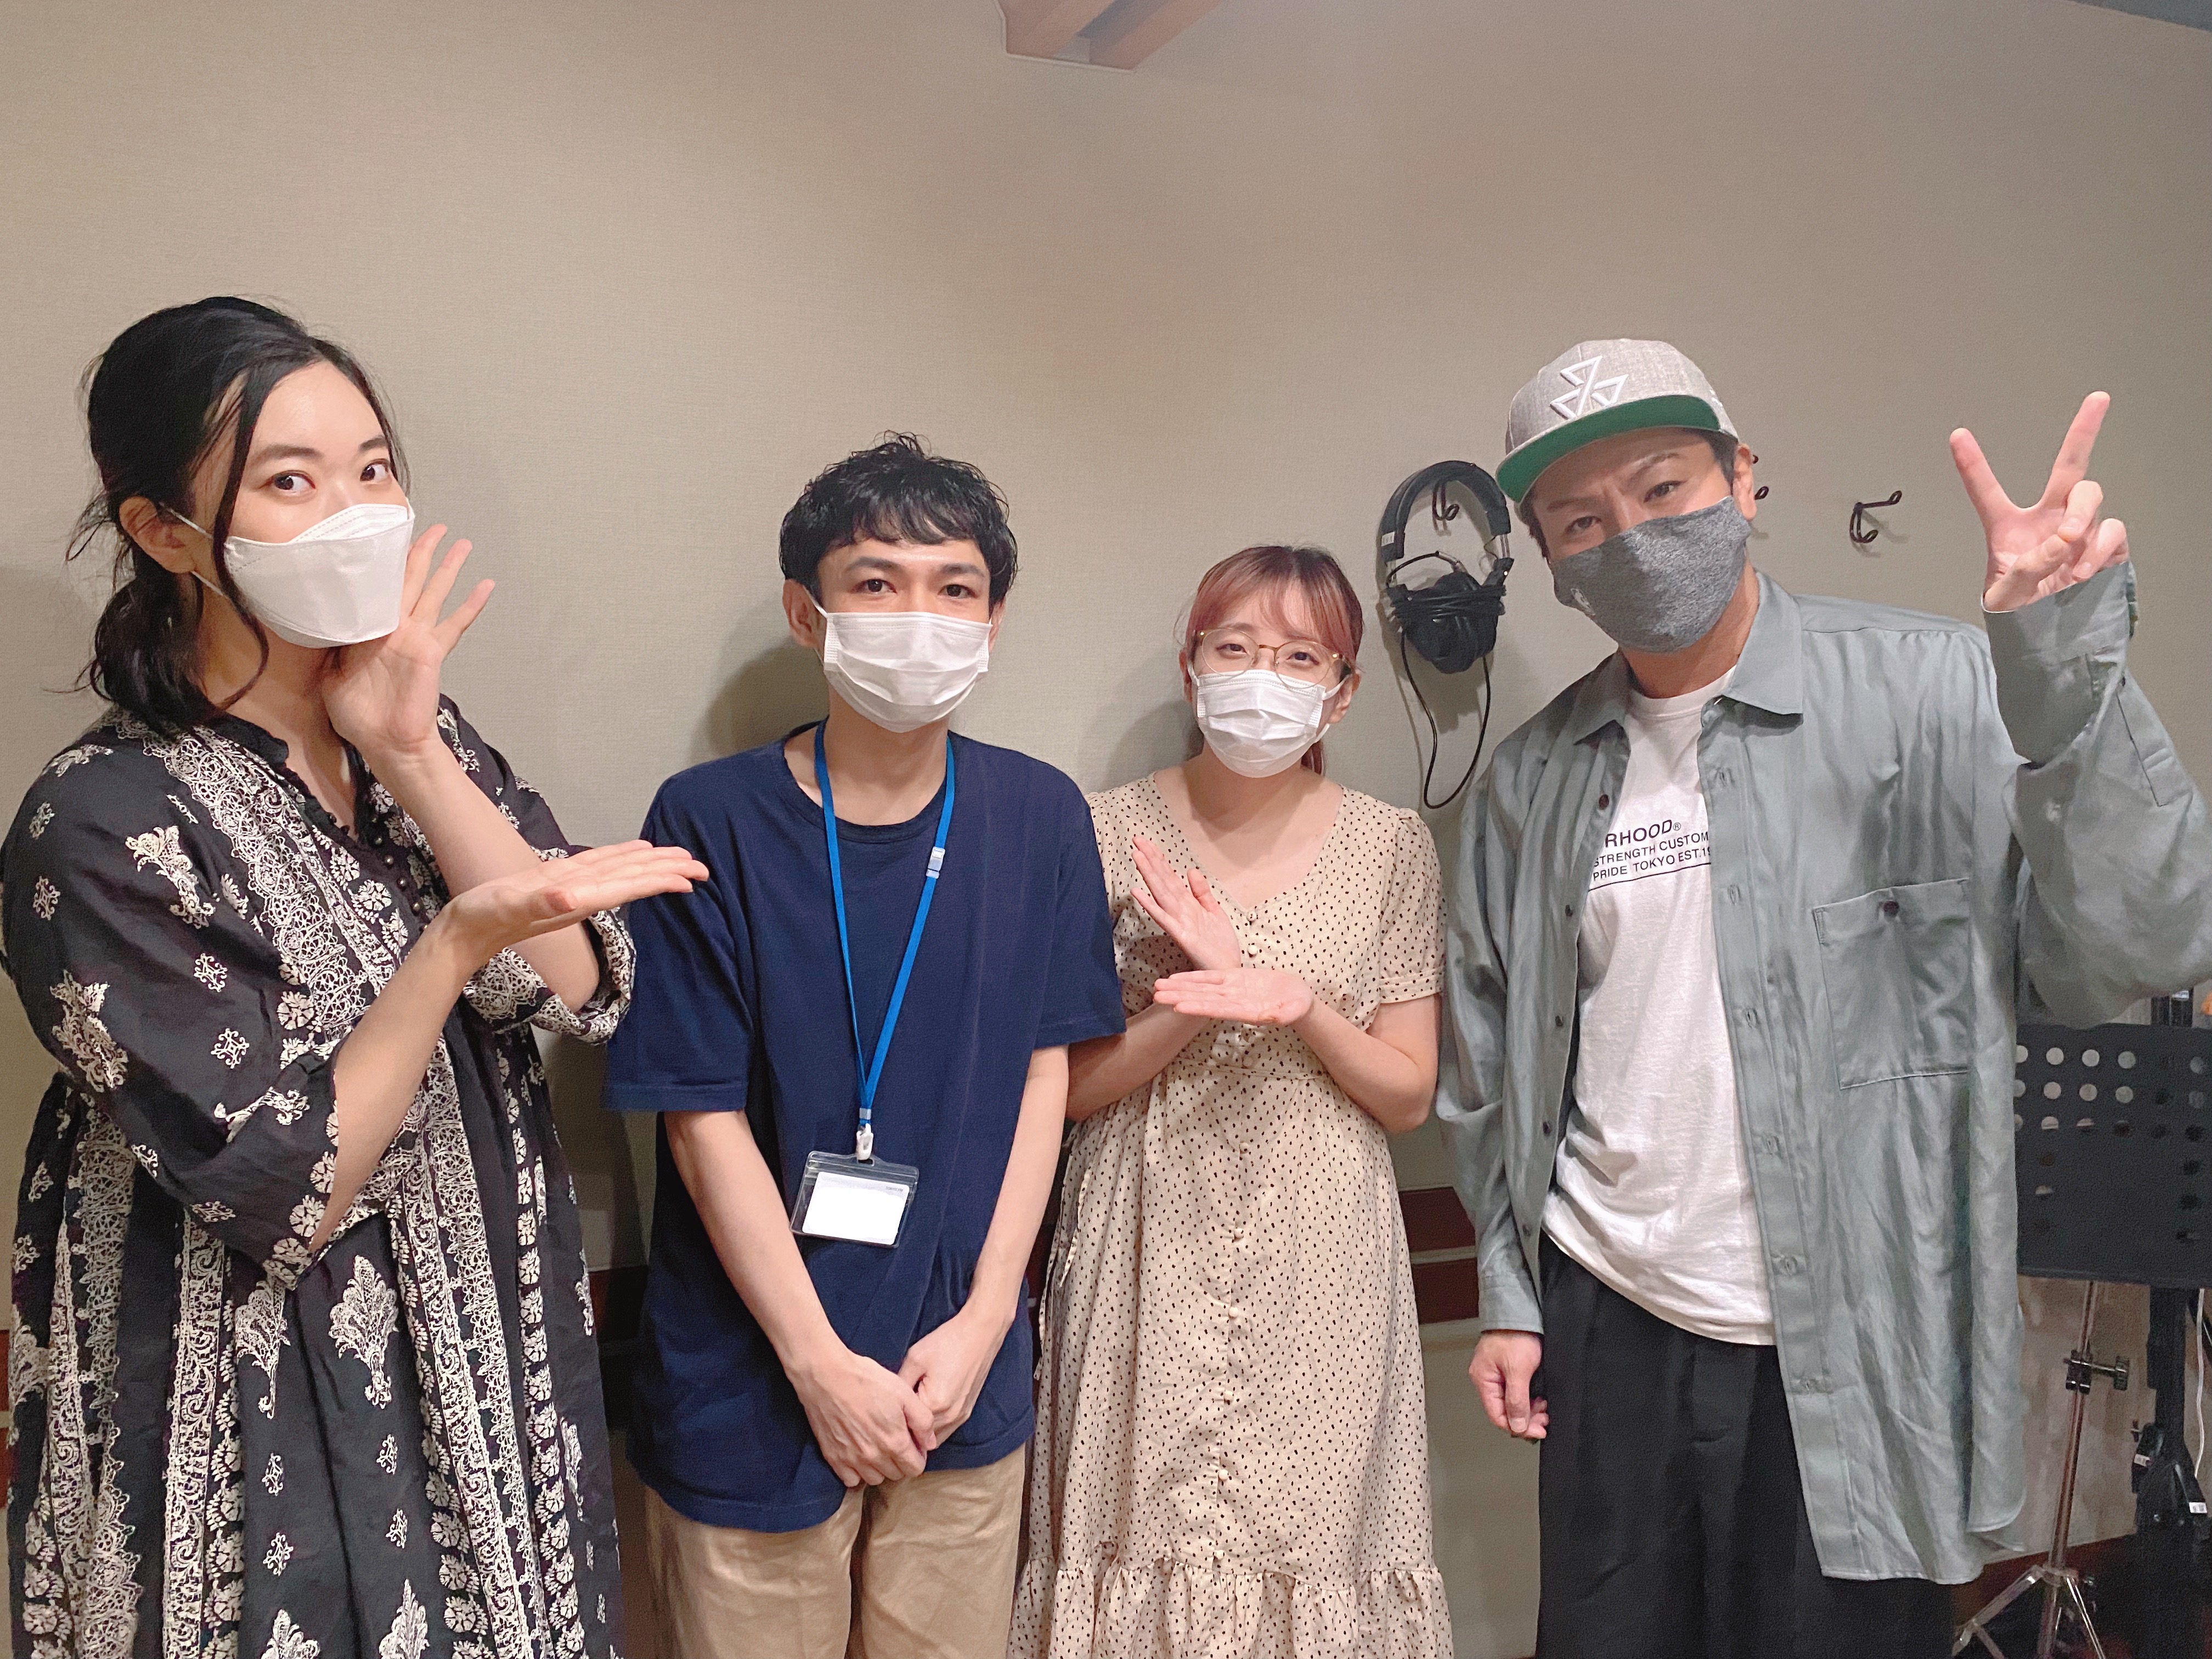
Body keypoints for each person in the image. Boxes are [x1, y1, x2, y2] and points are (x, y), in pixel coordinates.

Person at [1438, 337, 2212, 1658]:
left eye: (1664, 488)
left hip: (1862, 1334)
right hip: (1612, 1317)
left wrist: (2066, 670)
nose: (1632, 537)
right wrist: (1512, 1290)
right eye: (1582, 521)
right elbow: (1492, 1068)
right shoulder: (1532, 778)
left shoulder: (1941, 691)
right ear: (1553, 565)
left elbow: (2135, 944)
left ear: (1744, 478)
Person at [3, 297, 707, 1659]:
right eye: (291, 481)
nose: (357, 514)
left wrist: (412, 754)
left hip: (488, 1353)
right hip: (244, 1393)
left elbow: (576, 986)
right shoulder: (100, 821)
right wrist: (448, 948)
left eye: (373, 469)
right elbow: (287, 1189)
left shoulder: (416, 730)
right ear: (164, 531)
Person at [603, 435, 1125, 1659]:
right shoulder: (710, 818)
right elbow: (698, 1118)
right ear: (809, 612)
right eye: (877, 582)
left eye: (955, 588)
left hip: (957, 1368)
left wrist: (989, 1317)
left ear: (994, 621)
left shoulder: (1039, 815)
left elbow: (1045, 1075)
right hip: (752, 1375)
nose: (920, 616)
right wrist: (816, 1363)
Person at [1012, 544, 1454, 1658]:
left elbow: (1408, 1094)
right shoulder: (1098, 829)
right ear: (1193, 666)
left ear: (1342, 690)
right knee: (1134, 1531)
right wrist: (1192, 1001)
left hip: (1323, 1244)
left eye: (1300, 656)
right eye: (1237, 647)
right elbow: (1069, 1091)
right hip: (1142, 1225)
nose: (1265, 676)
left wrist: (1296, 1003)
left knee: (1314, 1538)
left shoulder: (1391, 845)